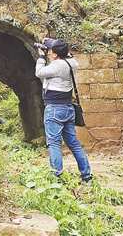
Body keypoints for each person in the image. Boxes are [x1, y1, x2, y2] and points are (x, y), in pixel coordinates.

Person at [35, 38, 92, 182]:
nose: (48, 53)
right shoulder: (72, 63)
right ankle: (86, 175)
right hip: (68, 108)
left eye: (50, 52)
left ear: (55, 55)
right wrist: (49, 43)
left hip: (54, 109)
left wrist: (41, 56)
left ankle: (56, 177)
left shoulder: (57, 66)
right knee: (73, 143)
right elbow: (64, 53)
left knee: (54, 143)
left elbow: (39, 72)